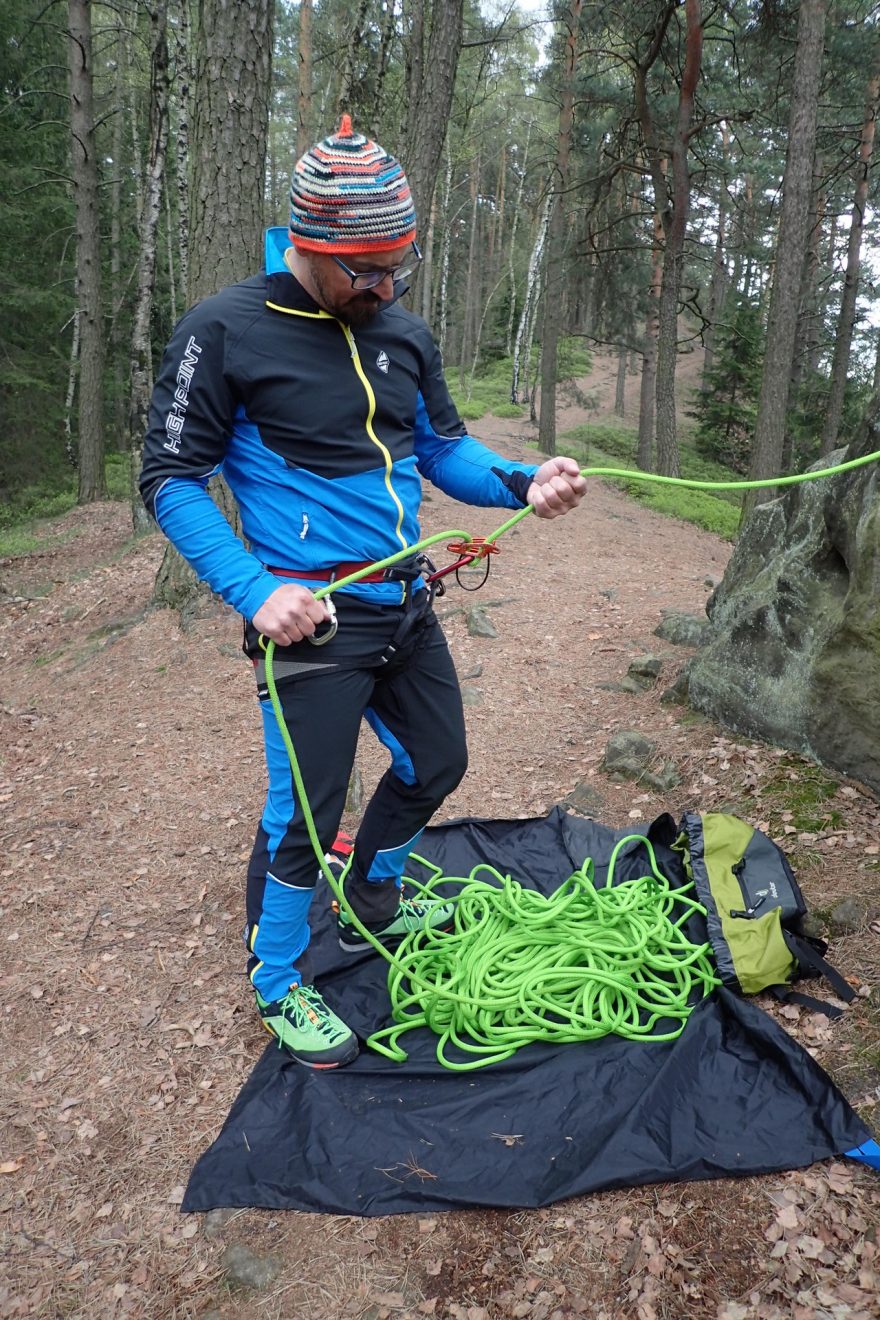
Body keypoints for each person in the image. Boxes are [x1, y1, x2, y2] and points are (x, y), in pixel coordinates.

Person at [140, 116, 585, 1070]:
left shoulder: (401, 332)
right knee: (303, 812)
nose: (385, 287)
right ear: (308, 244)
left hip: (404, 604)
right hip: (309, 622)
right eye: (367, 270)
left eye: (399, 268)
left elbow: (442, 449)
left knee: (439, 760)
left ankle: (376, 892)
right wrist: (255, 591)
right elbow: (171, 478)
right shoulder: (222, 331)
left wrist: (520, 482)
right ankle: (278, 979)